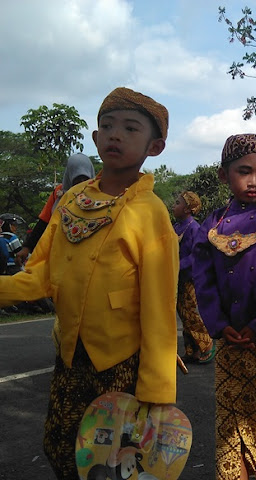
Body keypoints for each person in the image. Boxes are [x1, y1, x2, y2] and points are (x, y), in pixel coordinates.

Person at [0, 86, 179, 479]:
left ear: (155, 147)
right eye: (107, 126)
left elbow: (160, 307)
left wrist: (157, 392)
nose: (116, 134)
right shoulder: (72, 199)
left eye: (131, 128)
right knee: (60, 446)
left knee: (109, 462)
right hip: (70, 355)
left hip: (120, 363)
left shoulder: (152, 213)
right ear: (95, 138)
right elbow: (41, 275)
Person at [191, 134, 256, 480]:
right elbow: (203, 280)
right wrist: (219, 325)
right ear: (224, 175)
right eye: (244, 171)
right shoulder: (210, 225)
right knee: (231, 419)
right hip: (227, 341)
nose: (254, 181)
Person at [15, 153, 96, 266]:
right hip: (57, 255)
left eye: (85, 178)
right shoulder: (58, 195)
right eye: (77, 179)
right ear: (69, 176)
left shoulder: (99, 195)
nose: (81, 182)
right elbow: (43, 223)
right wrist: (27, 248)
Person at [173, 190, 214, 364]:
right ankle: (192, 351)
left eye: (177, 203)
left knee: (190, 313)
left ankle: (206, 346)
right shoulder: (177, 226)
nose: (173, 206)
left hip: (190, 278)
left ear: (188, 209)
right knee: (183, 313)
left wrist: (177, 265)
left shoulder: (194, 228)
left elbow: (195, 256)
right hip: (178, 278)